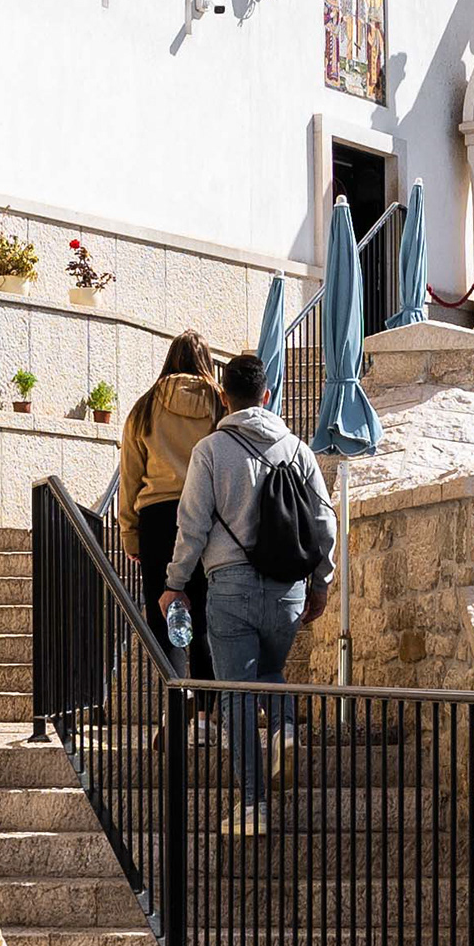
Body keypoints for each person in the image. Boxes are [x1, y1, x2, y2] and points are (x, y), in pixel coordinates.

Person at [166, 350, 333, 827]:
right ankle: (281, 728)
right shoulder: (297, 450)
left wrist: (175, 583)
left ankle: (254, 805)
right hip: (287, 590)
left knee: (237, 691)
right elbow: (324, 522)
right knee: (271, 671)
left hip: (229, 587)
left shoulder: (211, 452)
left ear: (223, 397)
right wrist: (320, 581)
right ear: (267, 394)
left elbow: (192, 525)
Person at [117, 328, 221, 663]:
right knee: (205, 614)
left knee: (165, 614)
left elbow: (130, 475)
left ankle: (177, 706)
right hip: (208, 513)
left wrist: (130, 534)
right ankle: (207, 711)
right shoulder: (221, 404)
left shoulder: (144, 407)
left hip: (157, 516)